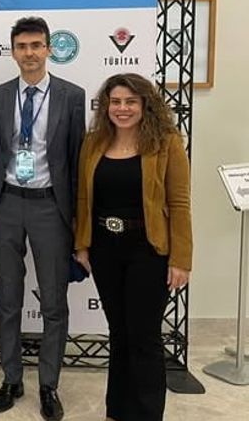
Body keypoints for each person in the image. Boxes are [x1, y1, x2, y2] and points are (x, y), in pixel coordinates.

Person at [74, 73, 192, 421]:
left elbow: (180, 203)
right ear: (106, 106)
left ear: (145, 105)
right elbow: (83, 198)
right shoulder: (94, 142)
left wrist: (181, 259)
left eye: (130, 102)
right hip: (104, 249)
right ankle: (116, 411)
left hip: (148, 250)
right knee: (119, 334)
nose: (122, 109)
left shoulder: (166, 142)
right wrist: (82, 244)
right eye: (116, 102)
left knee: (144, 337)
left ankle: (147, 414)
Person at [0, 17, 85, 421]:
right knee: (8, 297)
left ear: (49, 49)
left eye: (36, 45)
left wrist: (77, 218)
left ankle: (48, 384)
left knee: (54, 302)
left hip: (50, 207)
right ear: (12, 51)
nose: (29, 53)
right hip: (7, 204)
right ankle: (11, 378)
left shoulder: (71, 95)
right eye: (22, 46)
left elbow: (76, 158)